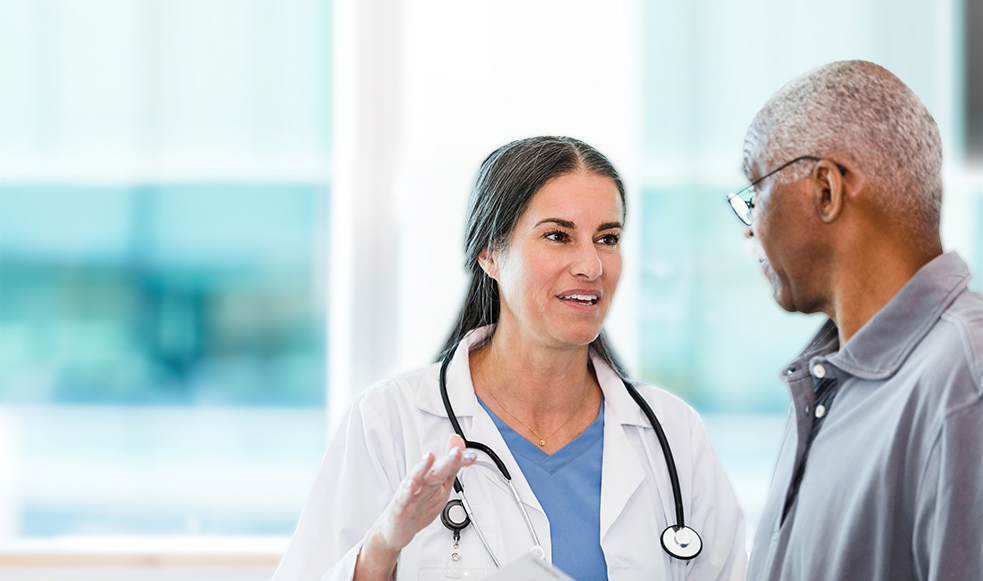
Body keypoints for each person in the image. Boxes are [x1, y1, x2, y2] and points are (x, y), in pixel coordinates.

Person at [274, 136, 746, 581]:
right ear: (489, 254)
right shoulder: (391, 422)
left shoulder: (672, 434)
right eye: (559, 236)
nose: (591, 265)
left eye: (608, 238)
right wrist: (383, 545)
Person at [727, 60, 983, 581]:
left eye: (756, 192)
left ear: (826, 189)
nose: (749, 229)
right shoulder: (829, 383)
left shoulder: (964, 382)